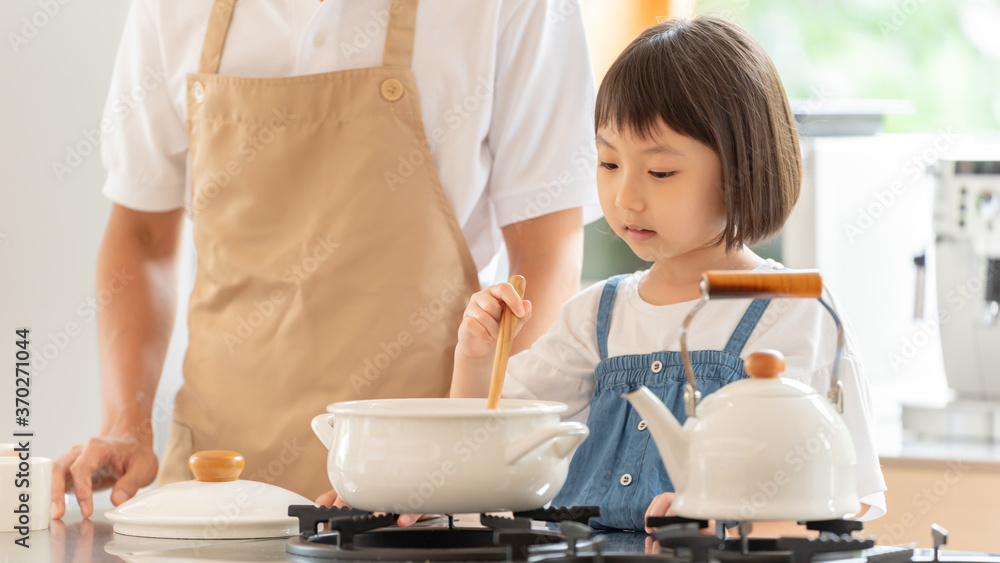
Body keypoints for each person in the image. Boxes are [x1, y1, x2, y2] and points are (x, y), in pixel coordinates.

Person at [52, 0, 599, 519]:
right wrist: (128, 425)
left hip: (418, 502)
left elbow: (544, 255)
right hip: (213, 489)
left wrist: (470, 457)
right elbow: (141, 236)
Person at [450, 15, 887, 532]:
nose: (625, 197)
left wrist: (741, 518)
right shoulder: (596, 315)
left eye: (660, 172)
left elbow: (846, 497)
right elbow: (486, 451)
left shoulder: (795, 309)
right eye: (609, 164)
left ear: (742, 169)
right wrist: (477, 360)